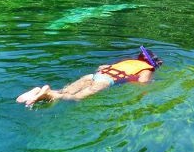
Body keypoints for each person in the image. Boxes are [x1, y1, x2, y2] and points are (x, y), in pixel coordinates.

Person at [16, 46, 163, 107]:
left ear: (140, 56)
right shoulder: (148, 69)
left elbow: (102, 67)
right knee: (76, 98)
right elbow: (143, 82)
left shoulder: (129, 61)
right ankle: (46, 92)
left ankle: (40, 92)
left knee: (64, 92)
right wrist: (148, 86)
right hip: (105, 82)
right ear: (151, 64)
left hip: (94, 76)